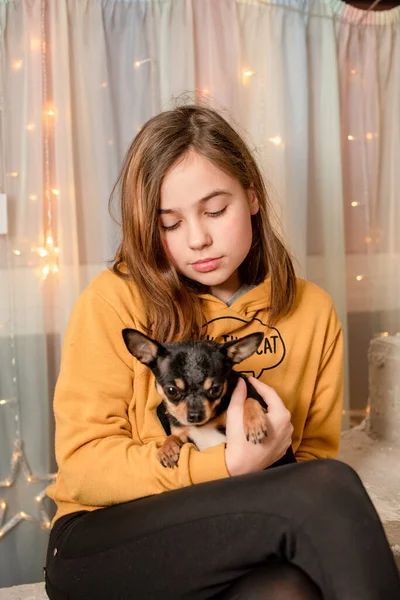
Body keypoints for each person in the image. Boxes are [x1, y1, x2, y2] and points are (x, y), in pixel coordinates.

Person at [44, 104, 400, 600]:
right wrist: (228, 464)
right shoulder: (114, 299)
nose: (198, 238)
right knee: (329, 487)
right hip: (101, 537)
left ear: (252, 195)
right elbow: (83, 470)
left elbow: (311, 459)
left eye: (215, 210)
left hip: (231, 527)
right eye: (169, 224)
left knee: (288, 587)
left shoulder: (312, 310)